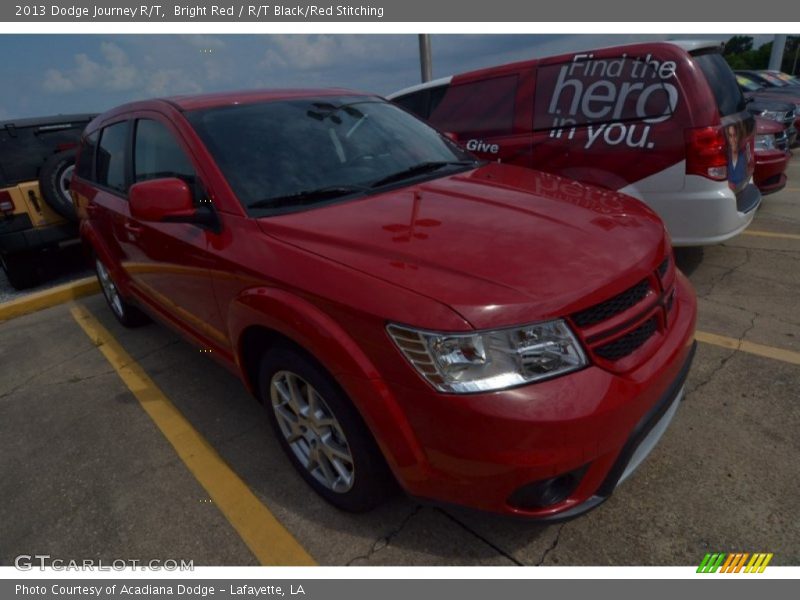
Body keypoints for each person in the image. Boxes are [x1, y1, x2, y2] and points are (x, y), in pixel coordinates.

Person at [726, 123, 747, 190]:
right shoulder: (724, 158)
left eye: (735, 136)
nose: (733, 140)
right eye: (730, 136)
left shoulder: (744, 157)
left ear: (739, 137)